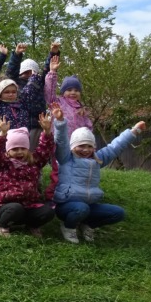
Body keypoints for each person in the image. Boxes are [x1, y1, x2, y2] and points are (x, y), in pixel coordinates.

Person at [53, 107, 146, 243]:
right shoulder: (66, 158)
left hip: (89, 205)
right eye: (81, 146)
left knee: (118, 213)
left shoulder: (97, 159)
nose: (86, 150)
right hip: (67, 206)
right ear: (73, 147)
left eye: (89, 146)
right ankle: (68, 227)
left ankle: (88, 225)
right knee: (81, 208)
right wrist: (60, 122)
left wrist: (134, 131)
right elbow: (61, 142)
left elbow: (115, 147)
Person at [0, 113, 56, 237]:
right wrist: (2, 135)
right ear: (8, 151)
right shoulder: (3, 164)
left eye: (23, 148)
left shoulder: (34, 162)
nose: (19, 152)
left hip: (30, 206)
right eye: (15, 149)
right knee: (16, 208)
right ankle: (2, 225)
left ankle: (32, 225)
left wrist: (46, 131)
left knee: (49, 211)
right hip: (7, 207)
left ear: (28, 149)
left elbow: (45, 149)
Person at [44, 49, 92, 201]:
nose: (73, 92)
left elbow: (88, 128)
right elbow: (49, 92)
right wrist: (52, 72)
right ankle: (55, 196)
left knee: (77, 172)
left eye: (76, 90)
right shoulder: (57, 102)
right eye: (69, 89)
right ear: (63, 91)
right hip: (61, 144)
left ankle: (77, 195)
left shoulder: (82, 109)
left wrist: (89, 144)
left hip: (78, 147)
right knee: (59, 171)